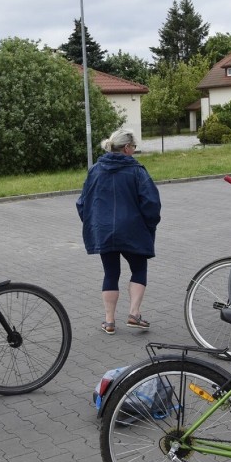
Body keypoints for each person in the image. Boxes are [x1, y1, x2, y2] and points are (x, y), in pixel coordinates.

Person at [76, 129, 161, 335]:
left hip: (104, 231)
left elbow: (82, 203)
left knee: (111, 273)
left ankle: (109, 321)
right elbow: (151, 203)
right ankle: (134, 314)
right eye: (133, 147)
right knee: (139, 269)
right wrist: (150, 225)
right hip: (133, 230)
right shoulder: (137, 171)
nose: (134, 150)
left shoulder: (95, 170)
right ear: (126, 148)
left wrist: (95, 224)